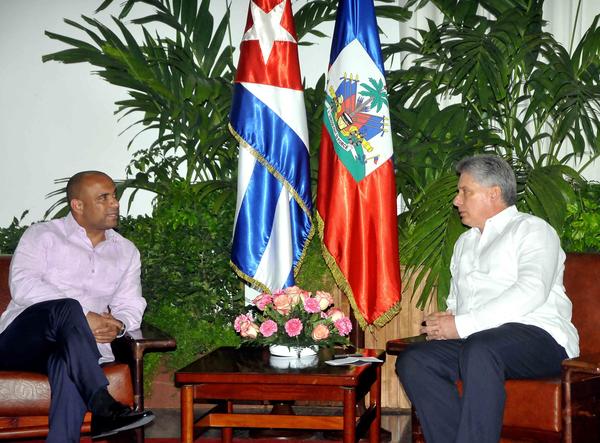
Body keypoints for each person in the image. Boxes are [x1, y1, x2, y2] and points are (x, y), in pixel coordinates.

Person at [395, 155, 579, 443]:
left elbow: (531, 291)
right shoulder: (464, 243)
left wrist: (462, 324)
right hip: (479, 341)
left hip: (542, 339)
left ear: (494, 193)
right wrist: (447, 321)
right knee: (415, 361)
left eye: (464, 191)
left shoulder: (532, 230)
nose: (456, 201)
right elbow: (458, 303)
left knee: (481, 349)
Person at [0, 171, 154, 442]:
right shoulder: (42, 235)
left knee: (67, 363)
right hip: (21, 342)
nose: (115, 203)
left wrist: (117, 328)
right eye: (103, 198)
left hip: (76, 349)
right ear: (78, 205)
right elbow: (23, 285)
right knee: (68, 307)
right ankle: (102, 402)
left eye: (114, 196)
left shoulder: (127, 251)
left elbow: (130, 304)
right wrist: (86, 317)